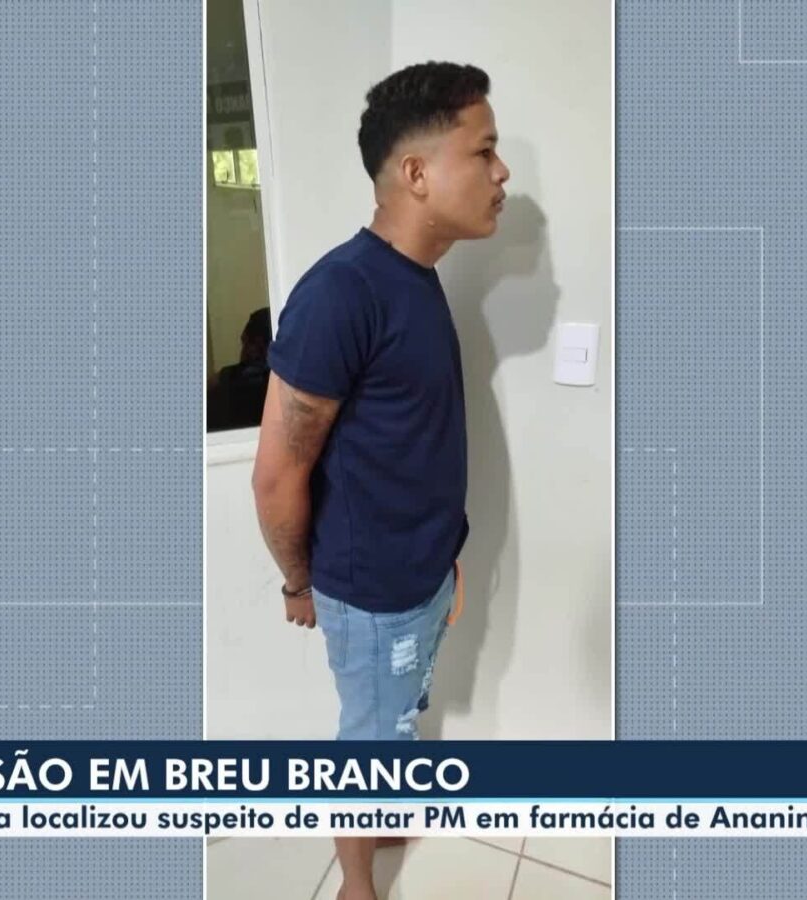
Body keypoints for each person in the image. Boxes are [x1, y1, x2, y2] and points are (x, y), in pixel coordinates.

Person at [249, 60, 509, 900]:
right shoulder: (342, 292)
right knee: (367, 735)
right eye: (484, 151)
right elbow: (277, 473)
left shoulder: (414, 281)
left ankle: (382, 812)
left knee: (394, 719)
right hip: (371, 593)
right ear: (417, 172)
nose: (502, 173)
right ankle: (356, 880)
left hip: (422, 577)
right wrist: (299, 583)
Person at [207, 307, 272, 431]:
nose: (243, 351)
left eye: (247, 343)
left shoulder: (228, 382)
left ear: (259, 344)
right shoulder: (228, 377)